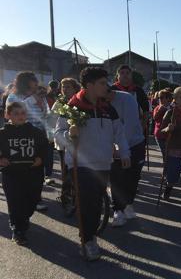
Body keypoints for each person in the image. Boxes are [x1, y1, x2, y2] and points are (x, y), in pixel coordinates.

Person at [55, 67, 130, 261]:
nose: (107, 87)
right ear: (89, 85)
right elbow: (56, 135)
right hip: (80, 164)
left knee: (96, 204)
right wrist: (68, 134)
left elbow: (119, 132)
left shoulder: (107, 108)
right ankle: (88, 241)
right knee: (88, 204)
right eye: (103, 83)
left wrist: (124, 152)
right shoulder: (72, 107)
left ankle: (89, 235)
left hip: (103, 163)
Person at [0, 102, 46, 246]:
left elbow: (45, 149)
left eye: (23, 113)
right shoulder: (2, 133)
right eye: (16, 113)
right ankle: (18, 229)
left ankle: (23, 218)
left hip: (33, 173)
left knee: (31, 201)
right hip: (11, 174)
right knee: (15, 202)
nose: (20, 116)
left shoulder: (36, 132)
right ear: (8, 115)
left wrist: (41, 158)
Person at [7, 72, 52, 210]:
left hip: (39, 136)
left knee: (38, 169)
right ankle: (22, 197)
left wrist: (43, 107)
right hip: (21, 137)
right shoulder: (14, 96)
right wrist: (33, 99)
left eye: (36, 83)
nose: (36, 86)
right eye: (33, 83)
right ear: (24, 83)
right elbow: (15, 111)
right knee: (22, 168)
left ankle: (36, 198)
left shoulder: (39, 97)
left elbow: (46, 115)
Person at [106, 87, 145, 226]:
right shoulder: (99, 101)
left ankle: (128, 204)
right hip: (113, 147)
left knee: (132, 178)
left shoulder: (127, 99)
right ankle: (118, 210)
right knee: (116, 179)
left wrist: (121, 148)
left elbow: (129, 126)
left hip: (134, 143)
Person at [50, 77, 81, 215]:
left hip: (78, 142)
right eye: (63, 87)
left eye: (68, 86)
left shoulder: (80, 101)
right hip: (63, 141)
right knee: (66, 173)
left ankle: (79, 197)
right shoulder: (59, 102)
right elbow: (51, 119)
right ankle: (66, 197)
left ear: (75, 88)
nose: (65, 89)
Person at [153, 89, 173, 160]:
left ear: (167, 98)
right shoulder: (157, 108)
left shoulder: (172, 108)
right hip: (159, 134)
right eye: (159, 97)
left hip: (170, 135)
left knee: (170, 154)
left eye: (161, 97)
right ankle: (167, 170)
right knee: (165, 154)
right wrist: (161, 110)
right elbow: (154, 118)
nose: (159, 99)